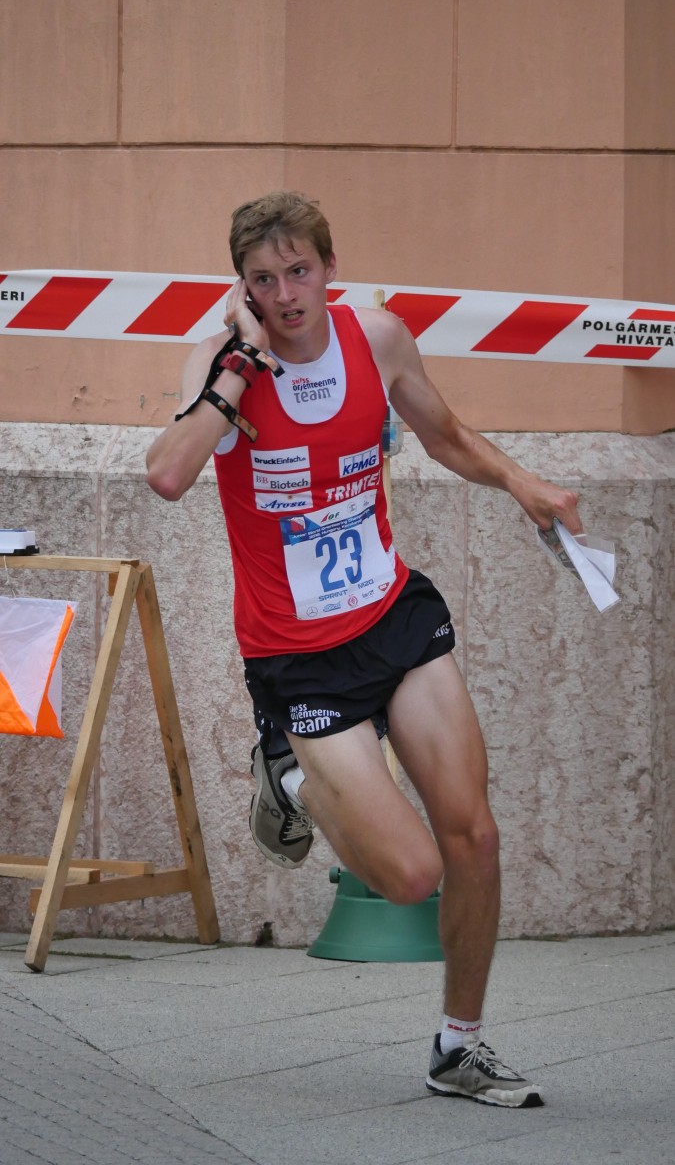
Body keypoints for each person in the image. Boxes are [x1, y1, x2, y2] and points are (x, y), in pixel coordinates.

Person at [146, 191, 582, 1108]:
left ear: (329, 270)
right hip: (298, 658)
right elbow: (169, 474)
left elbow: (444, 435)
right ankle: (290, 773)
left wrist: (521, 483)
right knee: (409, 876)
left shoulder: (375, 337)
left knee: (474, 837)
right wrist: (239, 367)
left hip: (392, 615)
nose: (285, 295)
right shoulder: (224, 362)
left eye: (298, 271)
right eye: (263, 280)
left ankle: (458, 1048)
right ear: (242, 288)